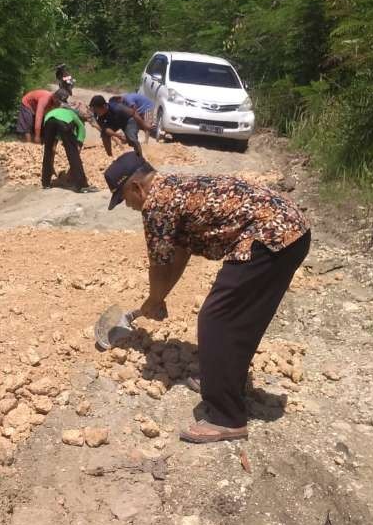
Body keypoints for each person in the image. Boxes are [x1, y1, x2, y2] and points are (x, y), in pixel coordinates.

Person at [103, 152, 311, 443]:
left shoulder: (156, 204)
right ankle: (224, 381)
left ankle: (227, 417)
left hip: (269, 236)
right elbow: (180, 252)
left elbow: (160, 264)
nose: (128, 206)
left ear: (137, 187)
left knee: (217, 319)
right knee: (242, 318)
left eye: (125, 198)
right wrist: (161, 298)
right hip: (293, 231)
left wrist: (153, 299)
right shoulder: (174, 186)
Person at [41, 99, 96, 193]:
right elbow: (82, 130)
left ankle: (46, 182)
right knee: (72, 154)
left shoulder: (54, 111)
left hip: (48, 122)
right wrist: (78, 145)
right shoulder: (73, 115)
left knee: (48, 151)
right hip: (64, 123)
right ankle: (82, 185)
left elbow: (52, 148)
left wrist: (51, 165)